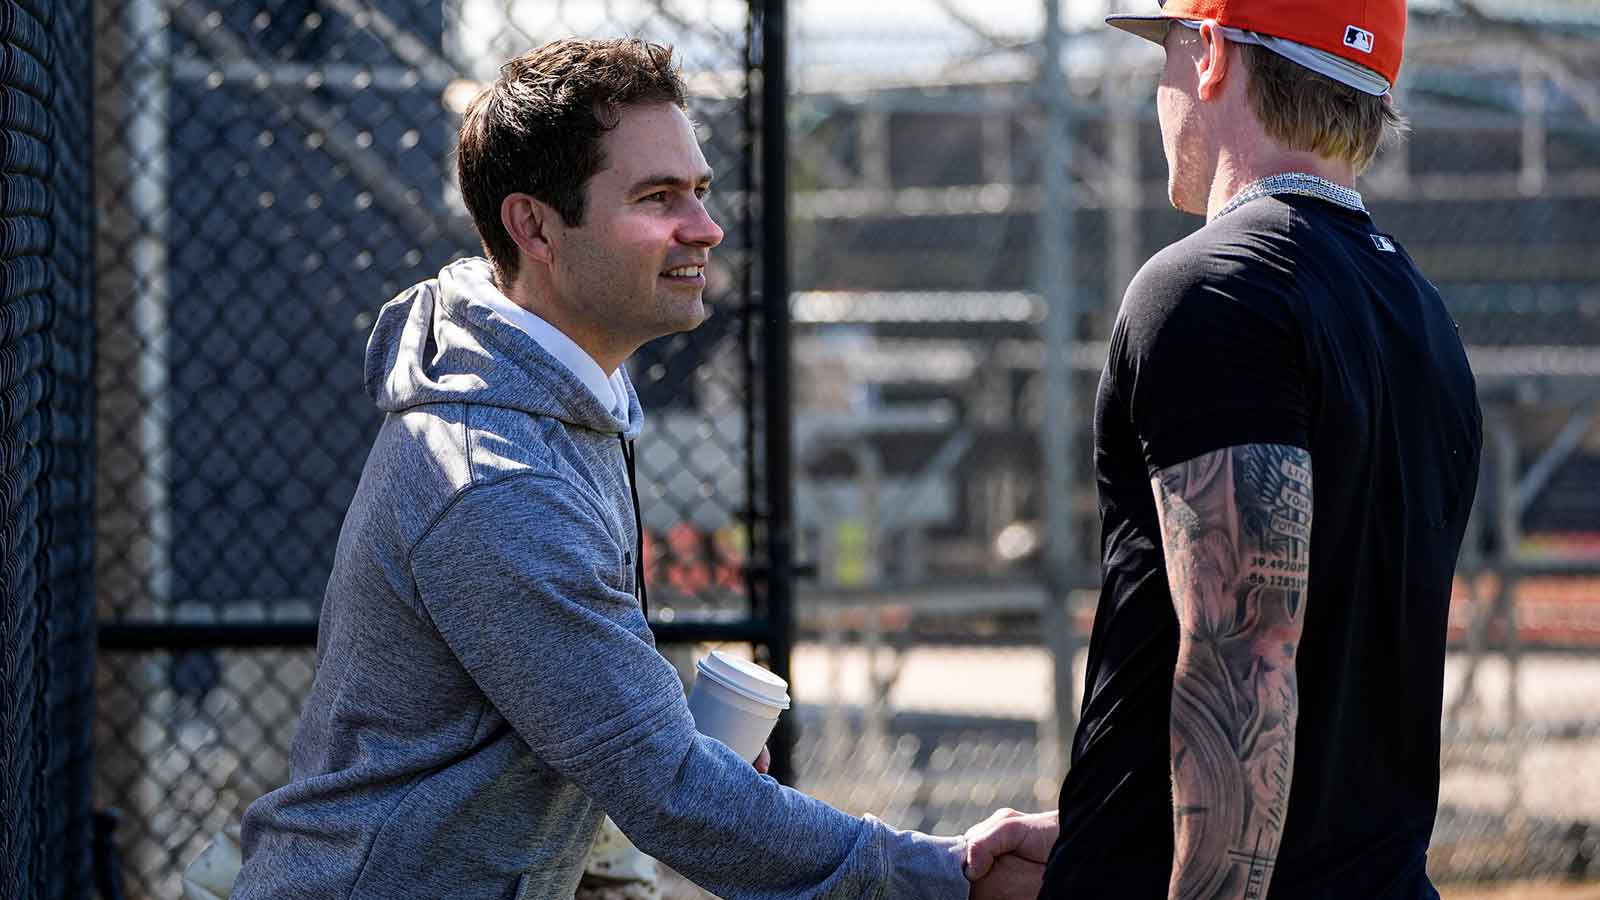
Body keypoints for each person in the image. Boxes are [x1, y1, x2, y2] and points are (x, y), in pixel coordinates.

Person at [229, 37, 1052, 900]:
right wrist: (945, 877)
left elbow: (623, 758)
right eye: (657, 198)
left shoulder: (559, 403)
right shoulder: (493, 478)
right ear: (534, 226)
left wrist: (674, 754)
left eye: (698, 191)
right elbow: (669, 790)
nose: (704, 226)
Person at [970, 0, 1483, 897]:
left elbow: (1243, 670)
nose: (1159, 89)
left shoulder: (1213, 288)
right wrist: (1114, 823)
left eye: (1164, 50)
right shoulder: (1421, 312)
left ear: (1209, 53)